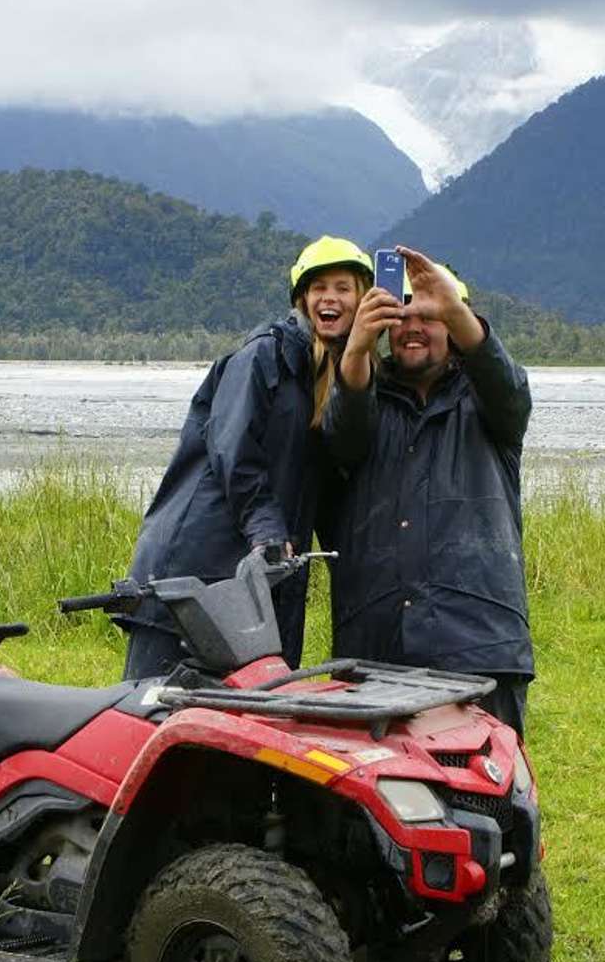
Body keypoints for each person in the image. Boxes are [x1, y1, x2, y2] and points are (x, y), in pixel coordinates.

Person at [116, 236, 374, 680]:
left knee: (245, 720)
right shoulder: (264, 355)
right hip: (197, 561)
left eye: (343, 287)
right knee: (156, 708)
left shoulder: (336, 381)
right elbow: (232, 448)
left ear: (363, 301)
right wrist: (269, 530)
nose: (329, 298)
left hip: (259, 573)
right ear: (302, 299)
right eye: (318, 288)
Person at [320, 247, 536, 736]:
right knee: (382, 799)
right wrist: (356, 348)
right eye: (402, 315)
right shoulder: (366, 400)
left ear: (454, 329)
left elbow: (508, 386)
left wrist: (455, 308)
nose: (414, 326)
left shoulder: (490, 405)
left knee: (489, 794)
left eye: (431, 316)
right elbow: (342, 436)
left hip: (478, 643)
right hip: (377, 645)